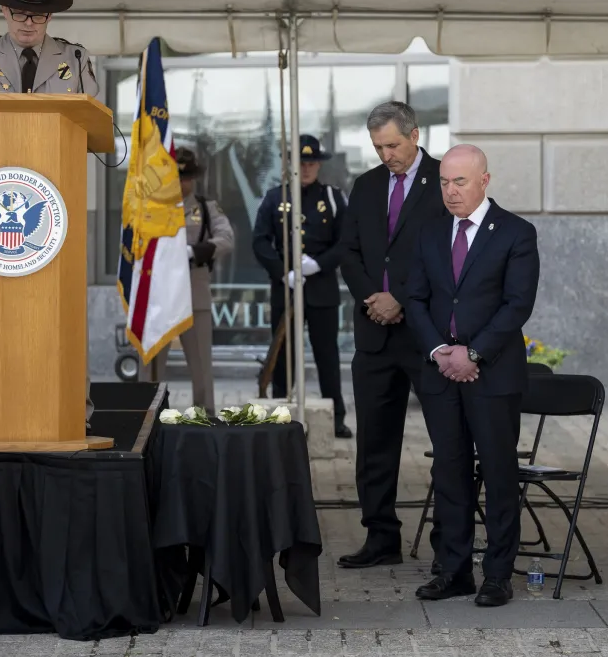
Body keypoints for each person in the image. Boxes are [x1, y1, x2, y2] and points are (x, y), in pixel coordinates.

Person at [404, 144, 539, 608]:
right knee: (450, 471)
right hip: (441, 374)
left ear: (485, 180)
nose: (450, 191)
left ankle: (498, 574)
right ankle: (453, 570)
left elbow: (517, 304)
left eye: (460, 182)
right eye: (444, 182)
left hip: (494, 376)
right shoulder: (429, 233)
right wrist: (441, 351)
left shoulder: (517, 233)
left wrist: (474, 353)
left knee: (500, 474)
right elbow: (415, 299)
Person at [335, 101, 448, 572]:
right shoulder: (366, 185)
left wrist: (399, 296)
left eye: (394, 145)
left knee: (448, 440)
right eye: (378, 146)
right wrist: (373, 298)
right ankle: (381, 537)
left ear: (415, 135)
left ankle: (449, 539)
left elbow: (446, 255)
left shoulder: (445, 180)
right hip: (374, 334)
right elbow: (348, 251)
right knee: (375, 444)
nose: (386, 155)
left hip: (426, 334)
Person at [253, 134, 351, 438]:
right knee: (283, 355)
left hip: (321, 287)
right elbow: (260, 241)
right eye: (301, 162)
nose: (306, 168)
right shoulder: (274, 197)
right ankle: (283, 413)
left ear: (319, 165)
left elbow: (346, 241)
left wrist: (319, 264)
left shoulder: (333, 198)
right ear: (291, 164)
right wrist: (284, 273)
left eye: (311, 163)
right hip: (287, 288)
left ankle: (335, 416)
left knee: (326, 355)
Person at [138, 148, 234, 412]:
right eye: (176, 177)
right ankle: (147, 416)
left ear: (193, 179)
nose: (181, 183)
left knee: (201, 364)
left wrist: (194, 251)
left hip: (194, 292)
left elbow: (226, 239)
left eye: (185, 177)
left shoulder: (205, 207)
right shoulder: (152, 208)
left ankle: (205, 417)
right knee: (152, 363)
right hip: (160, 295)